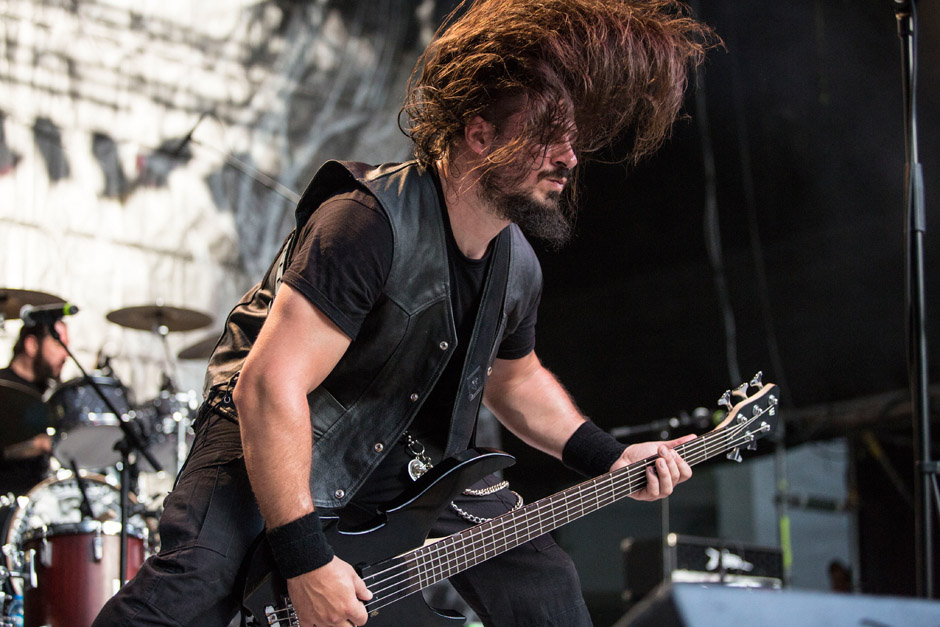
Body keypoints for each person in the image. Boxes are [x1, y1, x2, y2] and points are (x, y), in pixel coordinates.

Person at [94, 0, 714, 625]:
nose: (568, 159)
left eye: (572, 140)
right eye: (548, 138)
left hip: (409, 464)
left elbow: (514, 378)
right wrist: (307, 560)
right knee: (184, 593)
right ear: (480, 135)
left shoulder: (516, 262)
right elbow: (269, 386)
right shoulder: (364, 223)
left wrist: (608, 457)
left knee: (542, 583)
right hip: (273, 436)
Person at [0, 321, 69, 496]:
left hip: (40, 502)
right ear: (32, 345)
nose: (65, 354)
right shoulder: (4, 389)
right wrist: (36, 445)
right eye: (58, 344)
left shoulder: (56, 398)